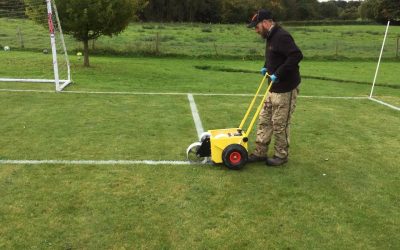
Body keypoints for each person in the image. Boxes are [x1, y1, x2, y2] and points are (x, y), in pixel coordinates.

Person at [247, 9, 303, 167]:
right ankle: (260, 152)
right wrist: (266, 67)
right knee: (264, 119)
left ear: (265, 23)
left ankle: (281, 155)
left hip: (285, 88)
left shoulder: (282, 36)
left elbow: (296, 55)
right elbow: (273, 56)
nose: (256, 31)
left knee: (279, 123)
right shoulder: (270, 37)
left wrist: (278, 74)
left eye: (256, 27)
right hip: (272, 88)